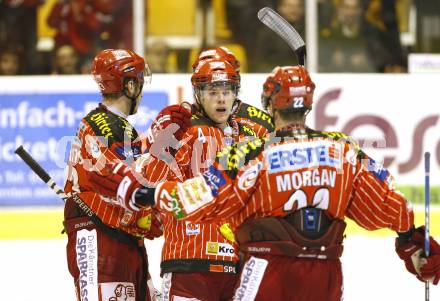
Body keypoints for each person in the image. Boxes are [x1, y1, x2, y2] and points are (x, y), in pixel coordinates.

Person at [92, 65, 440, 300]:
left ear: (268, 103)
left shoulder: (249, 152)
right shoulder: (343, 149)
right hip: (326, 275)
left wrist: (154, 197)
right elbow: (389, 200)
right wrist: (413, 239)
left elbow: (201, 197)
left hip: (267, 270)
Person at [93, 47, 274, 300]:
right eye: (213, 92)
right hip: (189, 261)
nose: (221, 99)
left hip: (236, 266)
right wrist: (162, 146)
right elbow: (146, 183)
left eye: (227, 91)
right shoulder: (182, 126)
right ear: (199, 93)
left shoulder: (248, 135)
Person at [63, 48, 190, 301]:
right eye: (139, 82)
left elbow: (130, 174)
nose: (141, 91)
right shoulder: (109, 127)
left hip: (117, 238)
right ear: (130, 85)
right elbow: (123, 184)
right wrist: (147, 215)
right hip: (100, 239)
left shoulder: (109, 124)